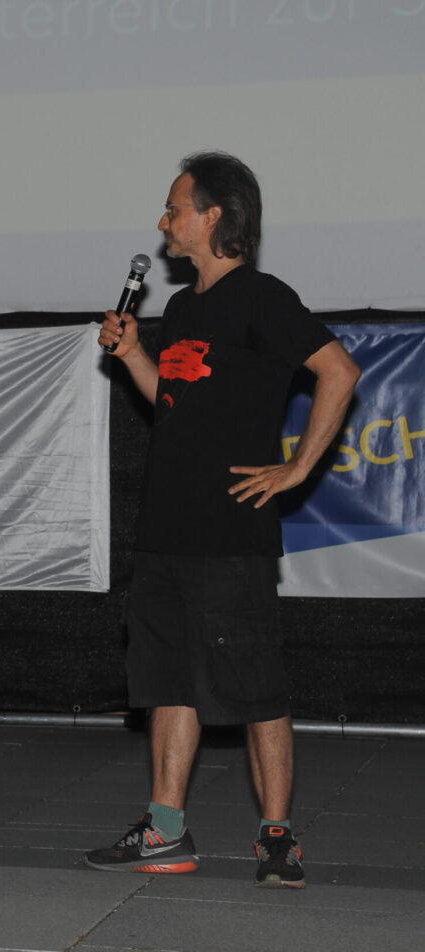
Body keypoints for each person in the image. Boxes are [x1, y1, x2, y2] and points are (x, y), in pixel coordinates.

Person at [85, 152, 360, 887]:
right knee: (168, 682)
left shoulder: (262, 297)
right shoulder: (181, 309)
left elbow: (340, 370)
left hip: (230, 531)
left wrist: (298, 468)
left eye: (174, 208)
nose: (163, 221)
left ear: (213, 215)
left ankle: (277, 837)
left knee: (254, 686)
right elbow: (171, 404)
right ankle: (165, 830)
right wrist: (134, 353)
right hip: (165, 527)